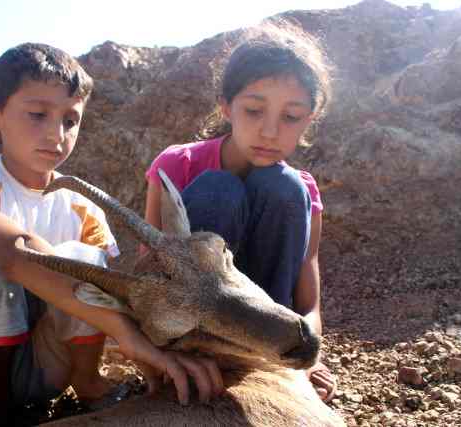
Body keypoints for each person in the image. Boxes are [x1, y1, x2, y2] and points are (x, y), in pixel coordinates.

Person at [0, 43, 223, 426]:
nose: (56, 134)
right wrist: (126, 336)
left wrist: (155, 346)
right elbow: (14, 255)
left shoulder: (83, 204)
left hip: (53, 367)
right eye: (37, 115)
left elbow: (108, 289)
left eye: (70, 120)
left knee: (88, 260)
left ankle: (86, 383)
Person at [144, 24, 337, 402]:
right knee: (220, 190)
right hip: (193, 333)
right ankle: (197, 356)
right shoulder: (176, 165)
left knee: (284, 186)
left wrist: (309, 352)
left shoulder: (303, 193)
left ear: (309, 119)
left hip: (266, 336)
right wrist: (155, 355)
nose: (270, 131)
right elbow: (150, 270)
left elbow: (308, 298)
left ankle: (275, 359)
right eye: (253, 110)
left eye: (291, 116)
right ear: (225, 106)